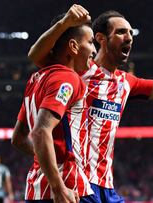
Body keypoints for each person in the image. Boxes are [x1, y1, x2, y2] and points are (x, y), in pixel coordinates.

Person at [27, 4, 153, 203]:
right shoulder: (81, 70)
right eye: (121, 32)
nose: (129, 38)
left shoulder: (126, 82)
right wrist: (65, 23)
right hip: (78, 182)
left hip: (106, 186)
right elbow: (37, 56)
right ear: (101, 39)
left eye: (131, 33)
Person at [12, 12, 98, 203]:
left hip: (36, 191)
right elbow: (41, 131)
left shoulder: (35, 80)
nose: (94, 50)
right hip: (68, 187)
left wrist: (47, 159)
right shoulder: (67, 78)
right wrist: (58, 185)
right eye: (91, 42)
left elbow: (18, 139)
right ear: (74, 47)